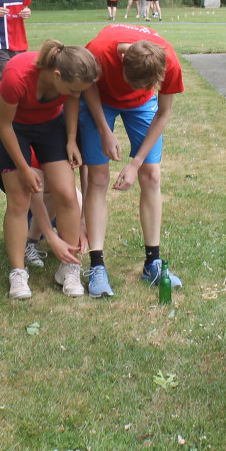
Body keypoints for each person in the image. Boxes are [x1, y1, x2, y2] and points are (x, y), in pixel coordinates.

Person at [79, 23, 185, 297]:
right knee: (98, 178)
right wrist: (104, 130)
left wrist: (136, 163)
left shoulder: (167, 61)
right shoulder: (99, 52)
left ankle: (153, 262)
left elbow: (163, 113)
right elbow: (87, 87)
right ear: (123, 61)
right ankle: (97, 266)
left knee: (151, 175)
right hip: (100, 98)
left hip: (142, 105)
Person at [0, 40, 101, 300]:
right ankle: (18, 273)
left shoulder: (70, 82)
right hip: (12, 127)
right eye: (73, 89)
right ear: (56, 75)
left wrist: (71, 138)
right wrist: (24, 168)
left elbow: (72, 100)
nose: (76, 94)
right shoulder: (16, 76)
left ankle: (69, 267)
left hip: (50, 124)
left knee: (65, 193)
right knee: (19, 199)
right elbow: (4, 125)